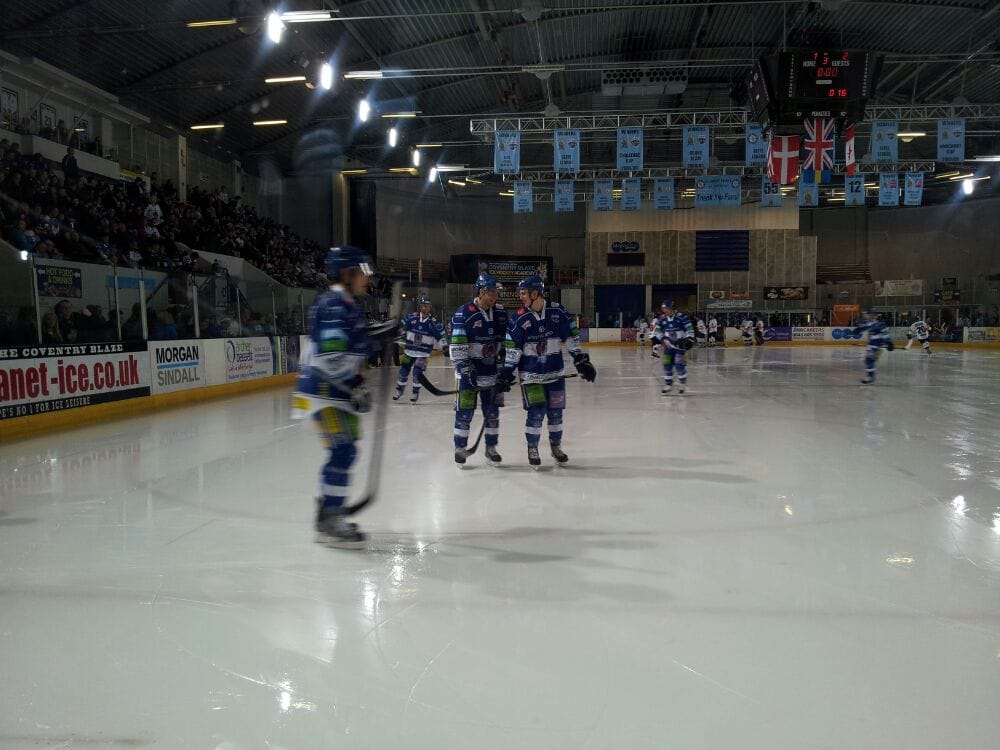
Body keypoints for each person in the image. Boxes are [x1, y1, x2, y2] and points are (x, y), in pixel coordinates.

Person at [291, 246, 374, 549]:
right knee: (342, 451)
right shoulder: (333, 305)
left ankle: (330, 510)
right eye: (363, 272)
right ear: (346, 273)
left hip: (336, 393)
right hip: (323, 393)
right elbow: (330, 357)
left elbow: (353, 348)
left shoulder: (347, 304)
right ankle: (329, 517)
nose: (368, 278)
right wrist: (355, 384)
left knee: (346, 451)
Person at [499, 275, 595, 468]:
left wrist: (579, 358)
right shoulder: (519, 318)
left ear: (536, 293)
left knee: (556, 413)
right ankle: (532, 447)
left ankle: (555, 446)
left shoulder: (557, 311)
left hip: (555, 374)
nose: (521, 297)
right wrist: (507, 371)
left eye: (524, 293)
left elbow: (571, 336)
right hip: (530, 376)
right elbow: (513, 349)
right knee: (536, 413)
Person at [450, 274, 508, 467]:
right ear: (482, 291)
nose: (495, 296)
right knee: (464, 413)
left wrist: (505, 365)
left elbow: (507, 341)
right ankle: (460, 448)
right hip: (468, 374)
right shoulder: (464, 313)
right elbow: (457, 346)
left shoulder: (500, 313)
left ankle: (491, 448)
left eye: (496, 293)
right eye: (492, 292)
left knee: (492, 414)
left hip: (491, 375)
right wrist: (465, 369)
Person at [393, 295, 446, 403]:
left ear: (430, 307)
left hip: (423, 354)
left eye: (427, 306)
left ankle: (415, 392)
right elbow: (401, 329)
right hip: (409, 352)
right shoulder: (411, 317)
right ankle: (400, 390)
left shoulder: (433, 323)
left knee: (417, 373)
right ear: (420, 307)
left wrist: (444, 346)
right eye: (423, 306)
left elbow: (441, 336)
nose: (424, 308)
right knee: (403, 371)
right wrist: (396, 333)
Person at [651, 300, 694, 395]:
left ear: (672, 308)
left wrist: (689, 339)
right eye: (664, 309)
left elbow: (689, 329)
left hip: (680, 347)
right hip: (668, 347)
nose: (665, 311)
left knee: (679, 364)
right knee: (667, 364)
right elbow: (657, 331)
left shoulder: (682, 317)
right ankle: (668, 385)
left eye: (667, 308)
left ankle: (682, 384)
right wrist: (663, 338)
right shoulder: (662, 319)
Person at [854, 309, 894, 385]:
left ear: (871, 315)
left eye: (866, 314)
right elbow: (863, 328)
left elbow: (884, 333)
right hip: (872, 345)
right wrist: (858, 330)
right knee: (869, 360)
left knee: (869, 360)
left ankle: (870, 377)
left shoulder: (880, 323)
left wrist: (889, 342)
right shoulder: (869, 323)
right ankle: (870, 376)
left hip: (878, 346)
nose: (864, 316)